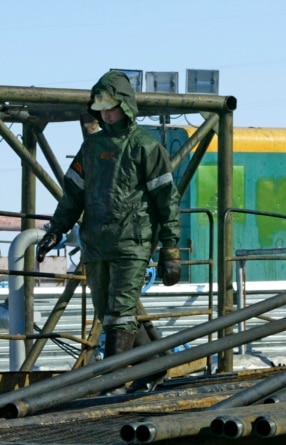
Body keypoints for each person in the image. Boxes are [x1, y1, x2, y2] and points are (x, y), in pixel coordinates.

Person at [36, 70, 182, 394]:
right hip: (97, 243)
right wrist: (54, 232)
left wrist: (170, 249)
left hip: (133, 242)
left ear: (126, 106)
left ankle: (112, 386)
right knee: (109, 312)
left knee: (118, 315)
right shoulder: (91, 148)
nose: (105, 113)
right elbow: (73, 195)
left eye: (111, 106)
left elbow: (167, 201)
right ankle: (156, 364)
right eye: (100, 107)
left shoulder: (147, 147)